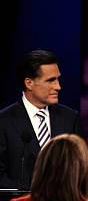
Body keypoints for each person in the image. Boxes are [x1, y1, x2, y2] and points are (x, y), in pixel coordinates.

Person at [0, 49, 83, 189]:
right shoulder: (4, 122)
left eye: (58, 79)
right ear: (29, 83)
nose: (58, 87)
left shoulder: (70, 119)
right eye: (51, 80)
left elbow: (82, 169)